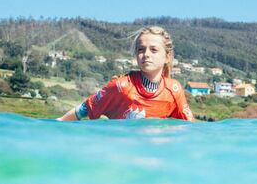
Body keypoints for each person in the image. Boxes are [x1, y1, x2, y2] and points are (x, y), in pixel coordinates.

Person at [57, 26, 194, 122]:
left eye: (153, 50)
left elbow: (190, 127)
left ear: (167, 57)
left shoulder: (174, 90)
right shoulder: (122, 86)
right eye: (141, 49)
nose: (146, 54)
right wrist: (58, 123)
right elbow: (85, 108)